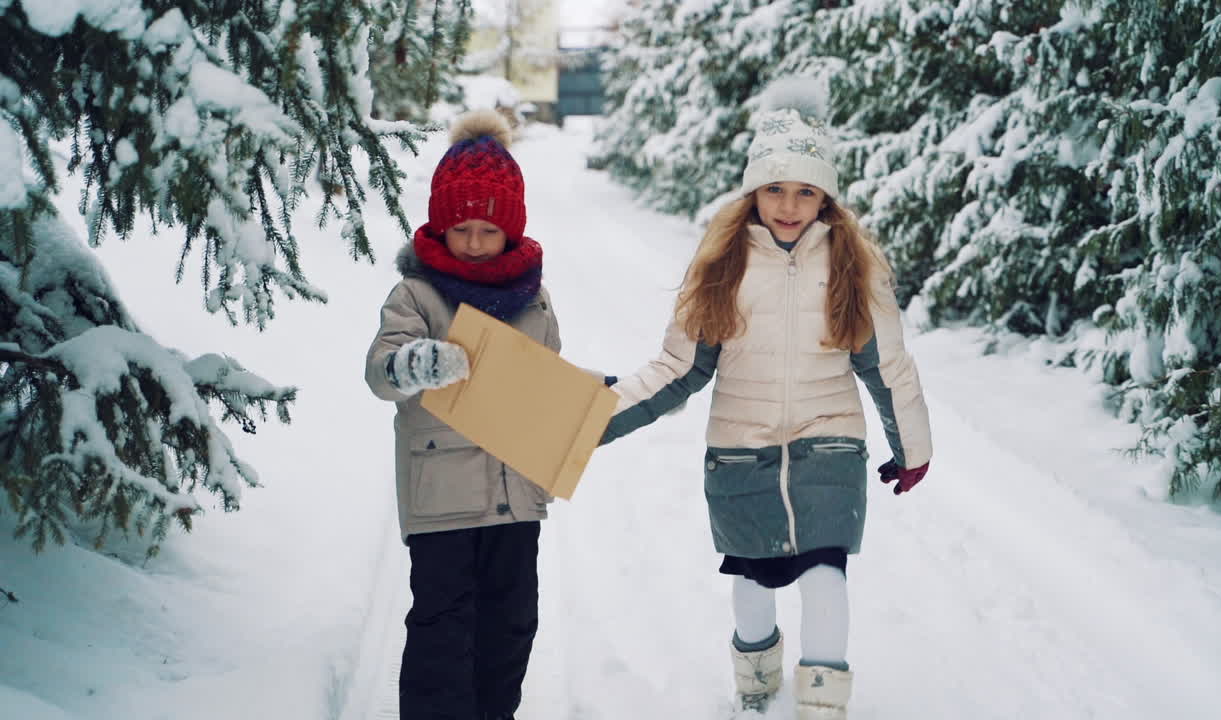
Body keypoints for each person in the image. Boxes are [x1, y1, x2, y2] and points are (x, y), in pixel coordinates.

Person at [599, 78, 933, 720]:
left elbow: (886, 364)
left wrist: (911, 447)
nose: (788, 204)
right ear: (754, 189)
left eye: (806, 190)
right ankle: (755, 688)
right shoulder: (722, 262)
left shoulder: (851, 265)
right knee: (752, 578)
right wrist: (596, 418)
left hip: (830, 443)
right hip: (740, 451)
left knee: (825, 573)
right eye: (775, 188)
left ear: (825, 197)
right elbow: (679, 368)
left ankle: (821, 703)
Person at [364, 109, 558, 720]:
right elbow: (382, 369)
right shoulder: (416, 294)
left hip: (514, 494)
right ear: (440, 225)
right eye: (462, 227)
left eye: (488, 229)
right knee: (443, 628)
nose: (474, 242)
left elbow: (544, 378)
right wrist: (416, 364)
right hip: (440, 497)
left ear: (512, 230)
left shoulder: (534, 297)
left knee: (511, 623)